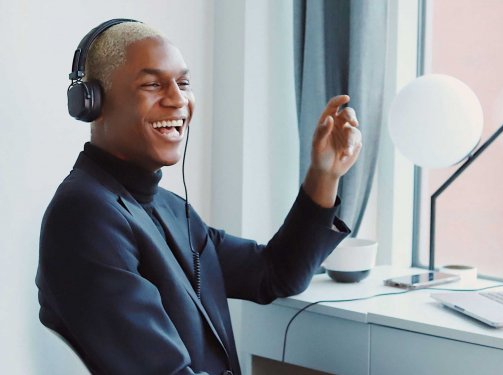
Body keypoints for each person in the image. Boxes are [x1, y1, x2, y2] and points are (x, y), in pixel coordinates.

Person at [36, 20, 362, 375]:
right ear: (93, 103)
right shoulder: (85, 215)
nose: (178, 99)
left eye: (184, 83)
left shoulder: (168, 207)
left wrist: (324, 175)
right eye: (152, 84)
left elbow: (275, 274)